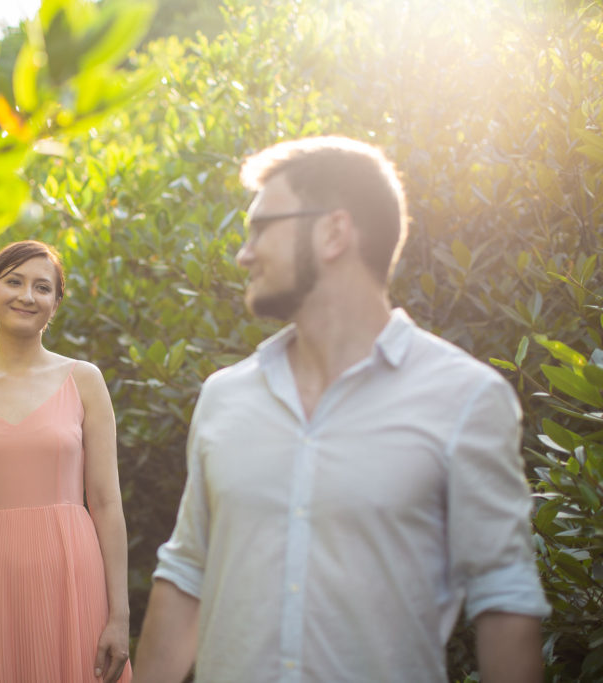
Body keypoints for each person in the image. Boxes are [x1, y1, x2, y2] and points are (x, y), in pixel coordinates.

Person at [133, 136, 550, 683]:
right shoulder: (224, 398)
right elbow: (187, 574)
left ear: (333, 231)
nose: (244, 253)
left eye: (261, 228)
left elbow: (505, 601)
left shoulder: (466, 399)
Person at [0, 240, 133, 683]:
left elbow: (107, 502)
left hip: (71, 573)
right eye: (13, 281)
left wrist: (121, 615)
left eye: (43, 287)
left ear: (55, 304)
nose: (26, 295)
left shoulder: (84, 380)